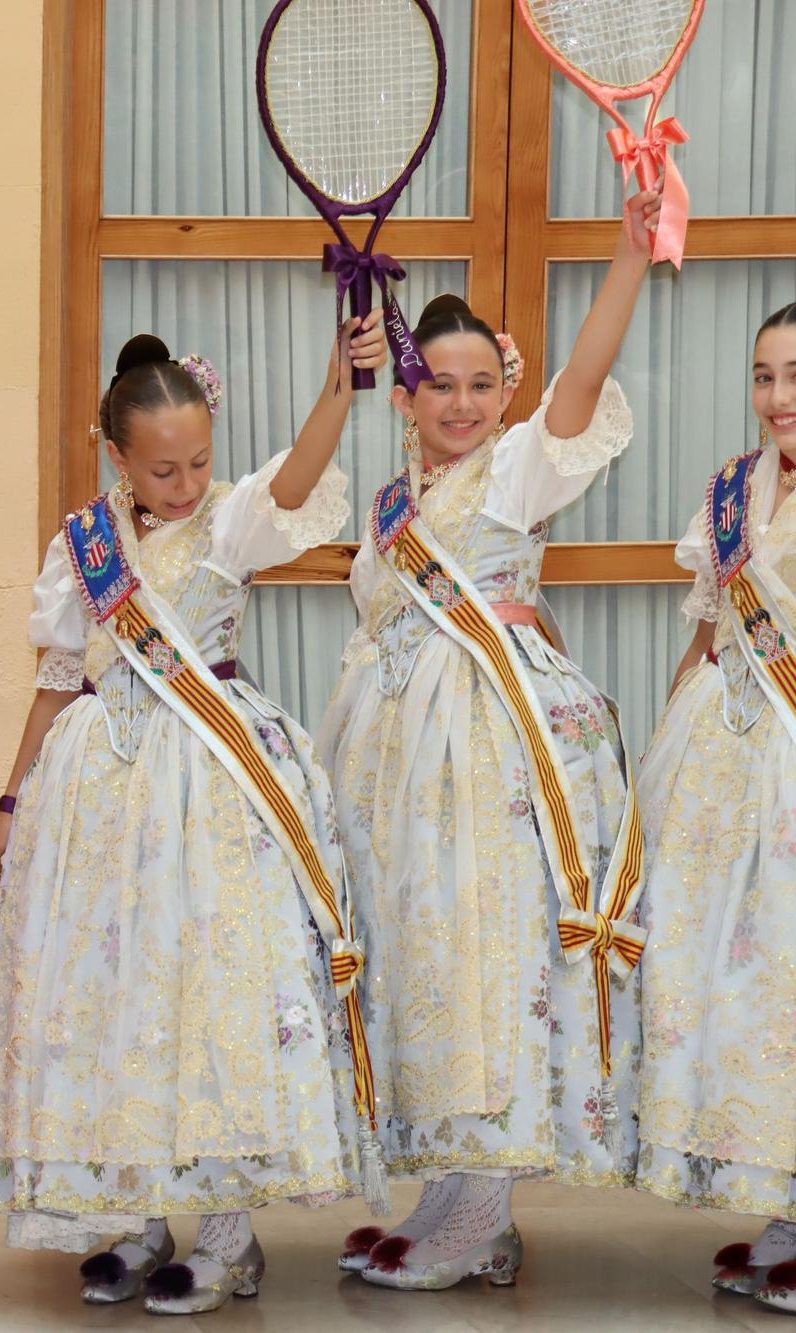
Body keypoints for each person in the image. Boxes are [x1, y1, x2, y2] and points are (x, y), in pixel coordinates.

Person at [0, 318, 389, 1316]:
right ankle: (139, 1215)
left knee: (211, 996)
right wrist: (8, 804)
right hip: (98, 791)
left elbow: (293, 478)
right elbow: (56, 679)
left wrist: (340, 381)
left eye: (197, 460)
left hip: (210, 790)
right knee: (111, 997)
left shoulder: (231, 521)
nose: (184, 482)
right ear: (115, 456)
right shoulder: (81, 545)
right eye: (161, 469)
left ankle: (229, 1238)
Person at [318, 191, 662, 1291]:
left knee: (484, 951)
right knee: (419, 954)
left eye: (480, 385)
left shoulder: (517, 469)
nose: (459, 404)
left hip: (492, 747)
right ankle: (450, 1193)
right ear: (407, 395)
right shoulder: (387, 504)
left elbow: (581, 380)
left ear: (503, 390)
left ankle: (484, 1208)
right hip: (393, 753)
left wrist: (622, 252)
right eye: (438, 385)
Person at [633, 300, 796, 1317]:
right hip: (723, 766)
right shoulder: (733, 493)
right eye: (763, 376)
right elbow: (704, 635)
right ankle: (781, 1204)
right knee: (748, 992)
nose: (778, 397)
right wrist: (662, 755)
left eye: (795, 375)